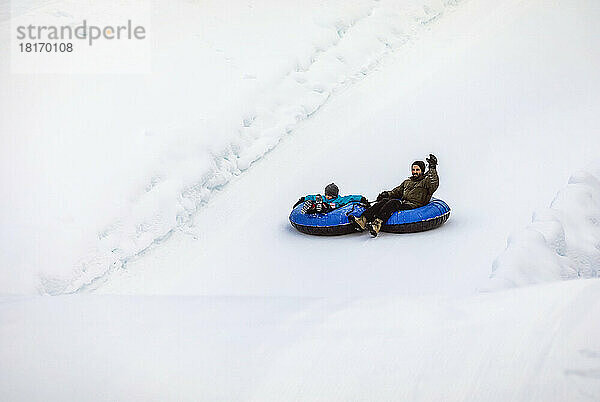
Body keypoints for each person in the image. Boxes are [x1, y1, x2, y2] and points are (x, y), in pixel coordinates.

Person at [349, 154, 439, 237]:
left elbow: (434, 182)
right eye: (413, 169)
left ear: (422, 171)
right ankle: (363, 220)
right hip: (404, 202)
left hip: (414, 205)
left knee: (394, 202)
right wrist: (386, 194)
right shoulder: (407, 182)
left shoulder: (425, 182)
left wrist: (432, 168)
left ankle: (377, 224)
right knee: (384, 201)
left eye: (417, 170)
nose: (415, 172)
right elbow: (396, 192)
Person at [293, 183, 368, 214]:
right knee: (317, 199)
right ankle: (311, 207)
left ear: (334, 195)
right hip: (321, 203)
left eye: (330, 195)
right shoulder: (323, 198)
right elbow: (312, 197)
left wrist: (361, 198)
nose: (327, 197)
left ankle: (318, 207)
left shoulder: (340, 199)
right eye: (326, 194)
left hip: (331, 207)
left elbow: (350, 198)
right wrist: (303, 199)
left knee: (326, 205)